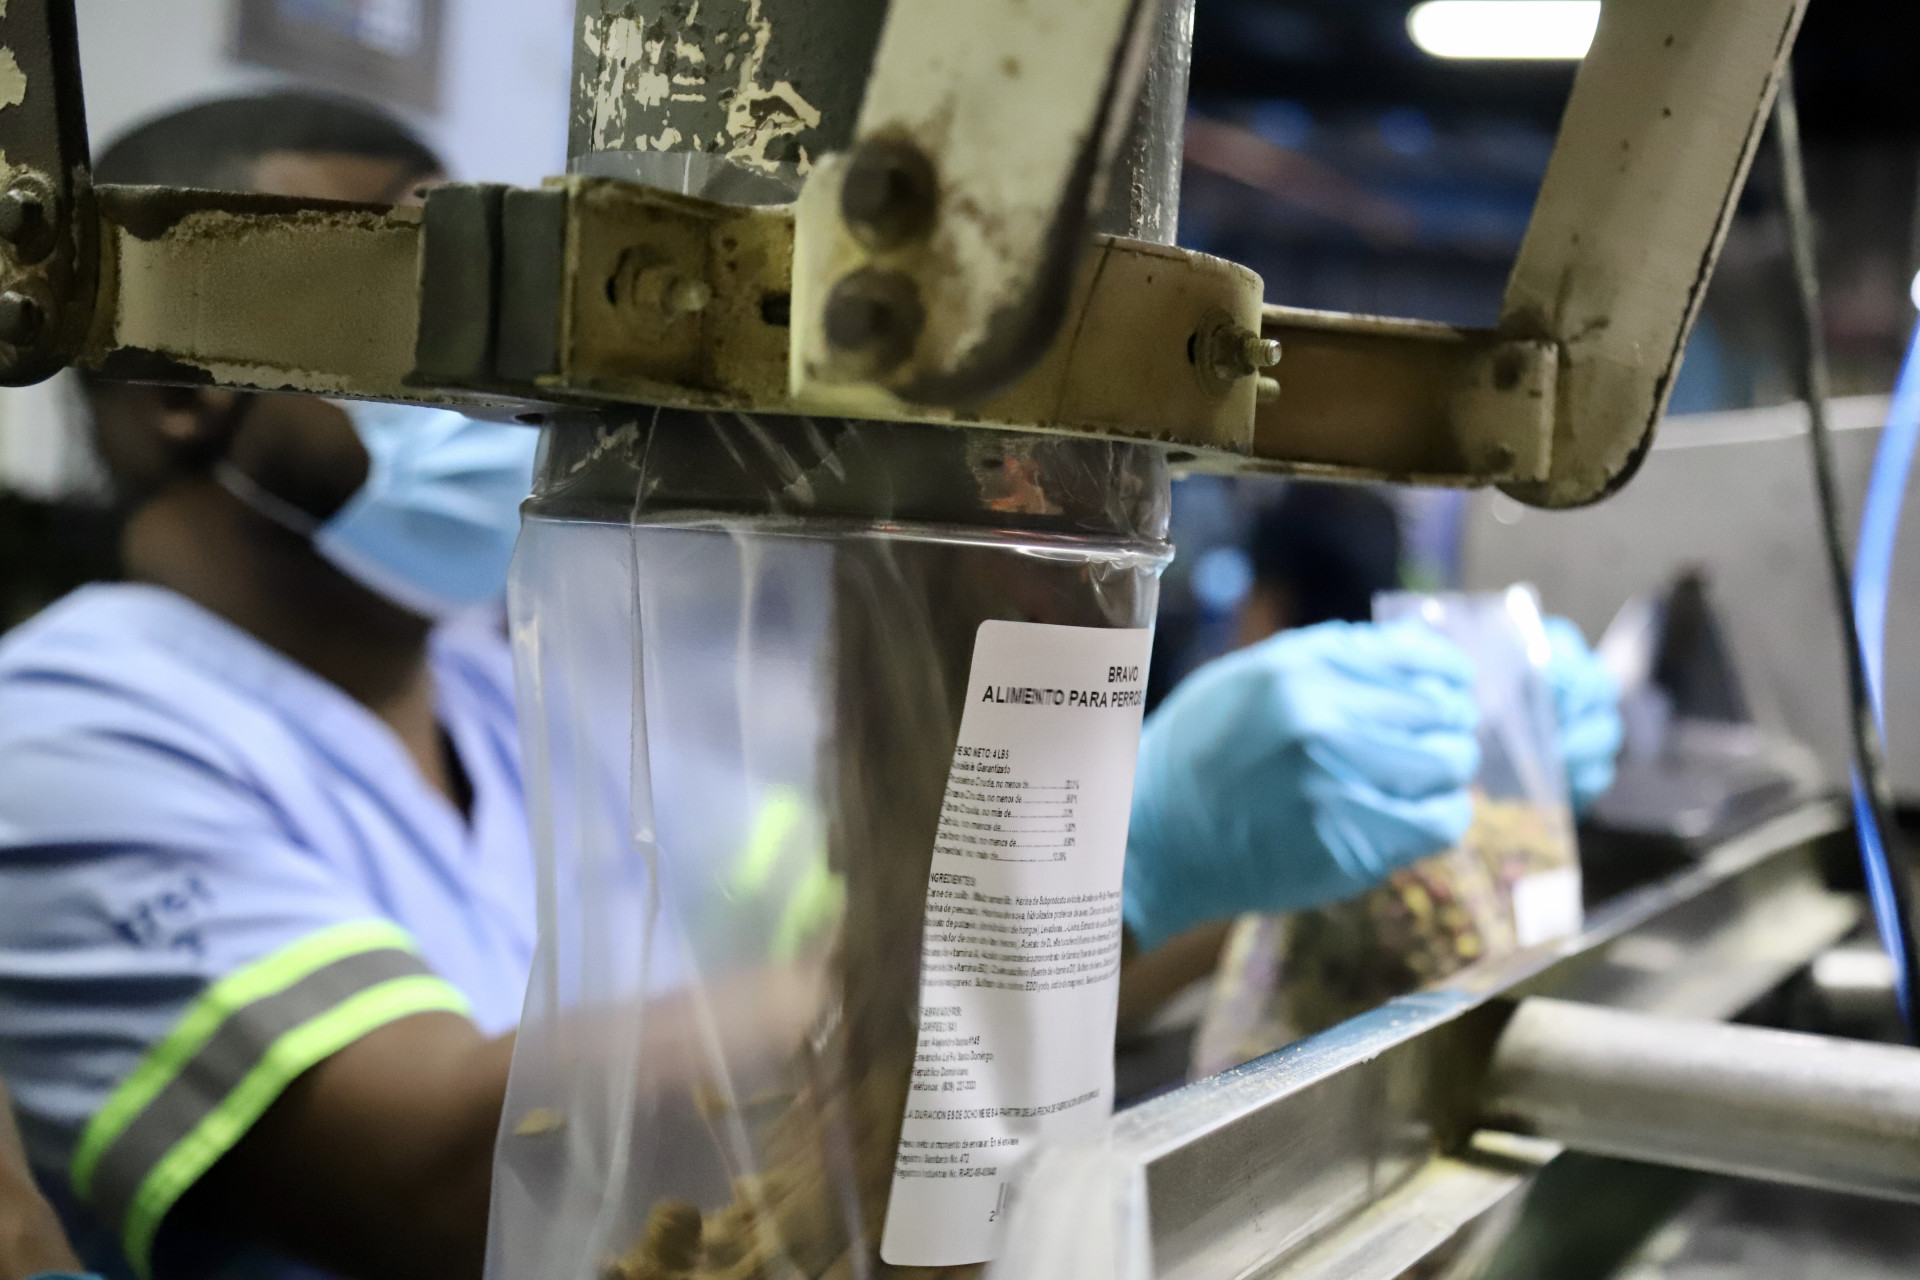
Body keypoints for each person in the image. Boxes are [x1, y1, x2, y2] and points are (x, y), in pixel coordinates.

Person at [0, 97, 1613, 1280]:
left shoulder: (496, 693)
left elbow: (843, 990)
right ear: (185, 391)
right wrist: (1106, 872)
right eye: (400, 336)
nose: (479, 404)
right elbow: (450, 1186)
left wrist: (1357, 802)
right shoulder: (62, 733)